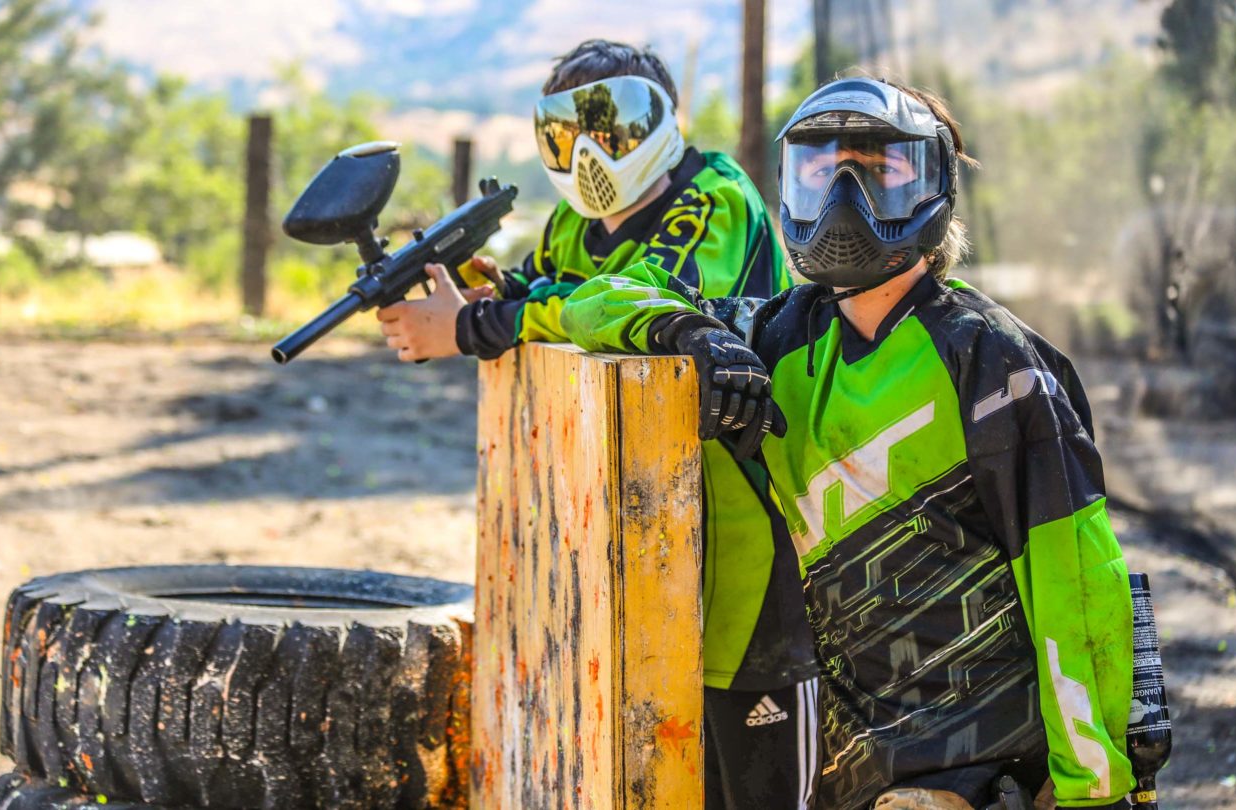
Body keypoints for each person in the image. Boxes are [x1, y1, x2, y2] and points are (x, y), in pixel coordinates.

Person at [560, 77, 1137, 810]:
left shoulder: (992, 361)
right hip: (850, 766)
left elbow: (1077, 586)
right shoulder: (775, 338)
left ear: (934, 187)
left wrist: (1092, 787)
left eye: (881, 171)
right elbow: (595, 299)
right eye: (821, 172)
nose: (844, 200)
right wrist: (690, 334)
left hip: (984, 765)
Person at [376, 40, 822, 809]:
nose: (589, 154)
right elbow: (557, 294)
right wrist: (492, 299)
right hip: (632, 547)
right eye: (567, 136)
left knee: (758, 784)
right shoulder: (571, 225)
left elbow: (641, 301)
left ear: (664, 119)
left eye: (609, 130)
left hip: (750, 537)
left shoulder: (714, 197)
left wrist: (477, 327)